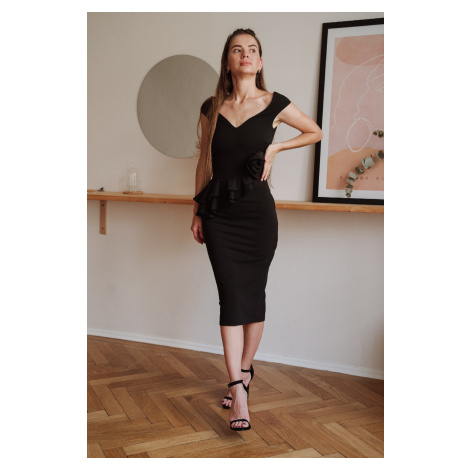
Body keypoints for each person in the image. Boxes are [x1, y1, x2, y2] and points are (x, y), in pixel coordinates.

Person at [190, 28, 323, 431]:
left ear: (260, 61)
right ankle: (238, 390)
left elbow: (315, 131)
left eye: (251, 49)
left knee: (252, 296)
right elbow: (204, 162)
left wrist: (276, 147)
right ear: (228, 62)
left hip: (258, 217)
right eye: (237, 49)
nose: (245, 54)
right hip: (219, 215)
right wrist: (196, 211)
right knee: (230, 297)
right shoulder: (211, 108)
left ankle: (244, 371)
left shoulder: (275, 103)